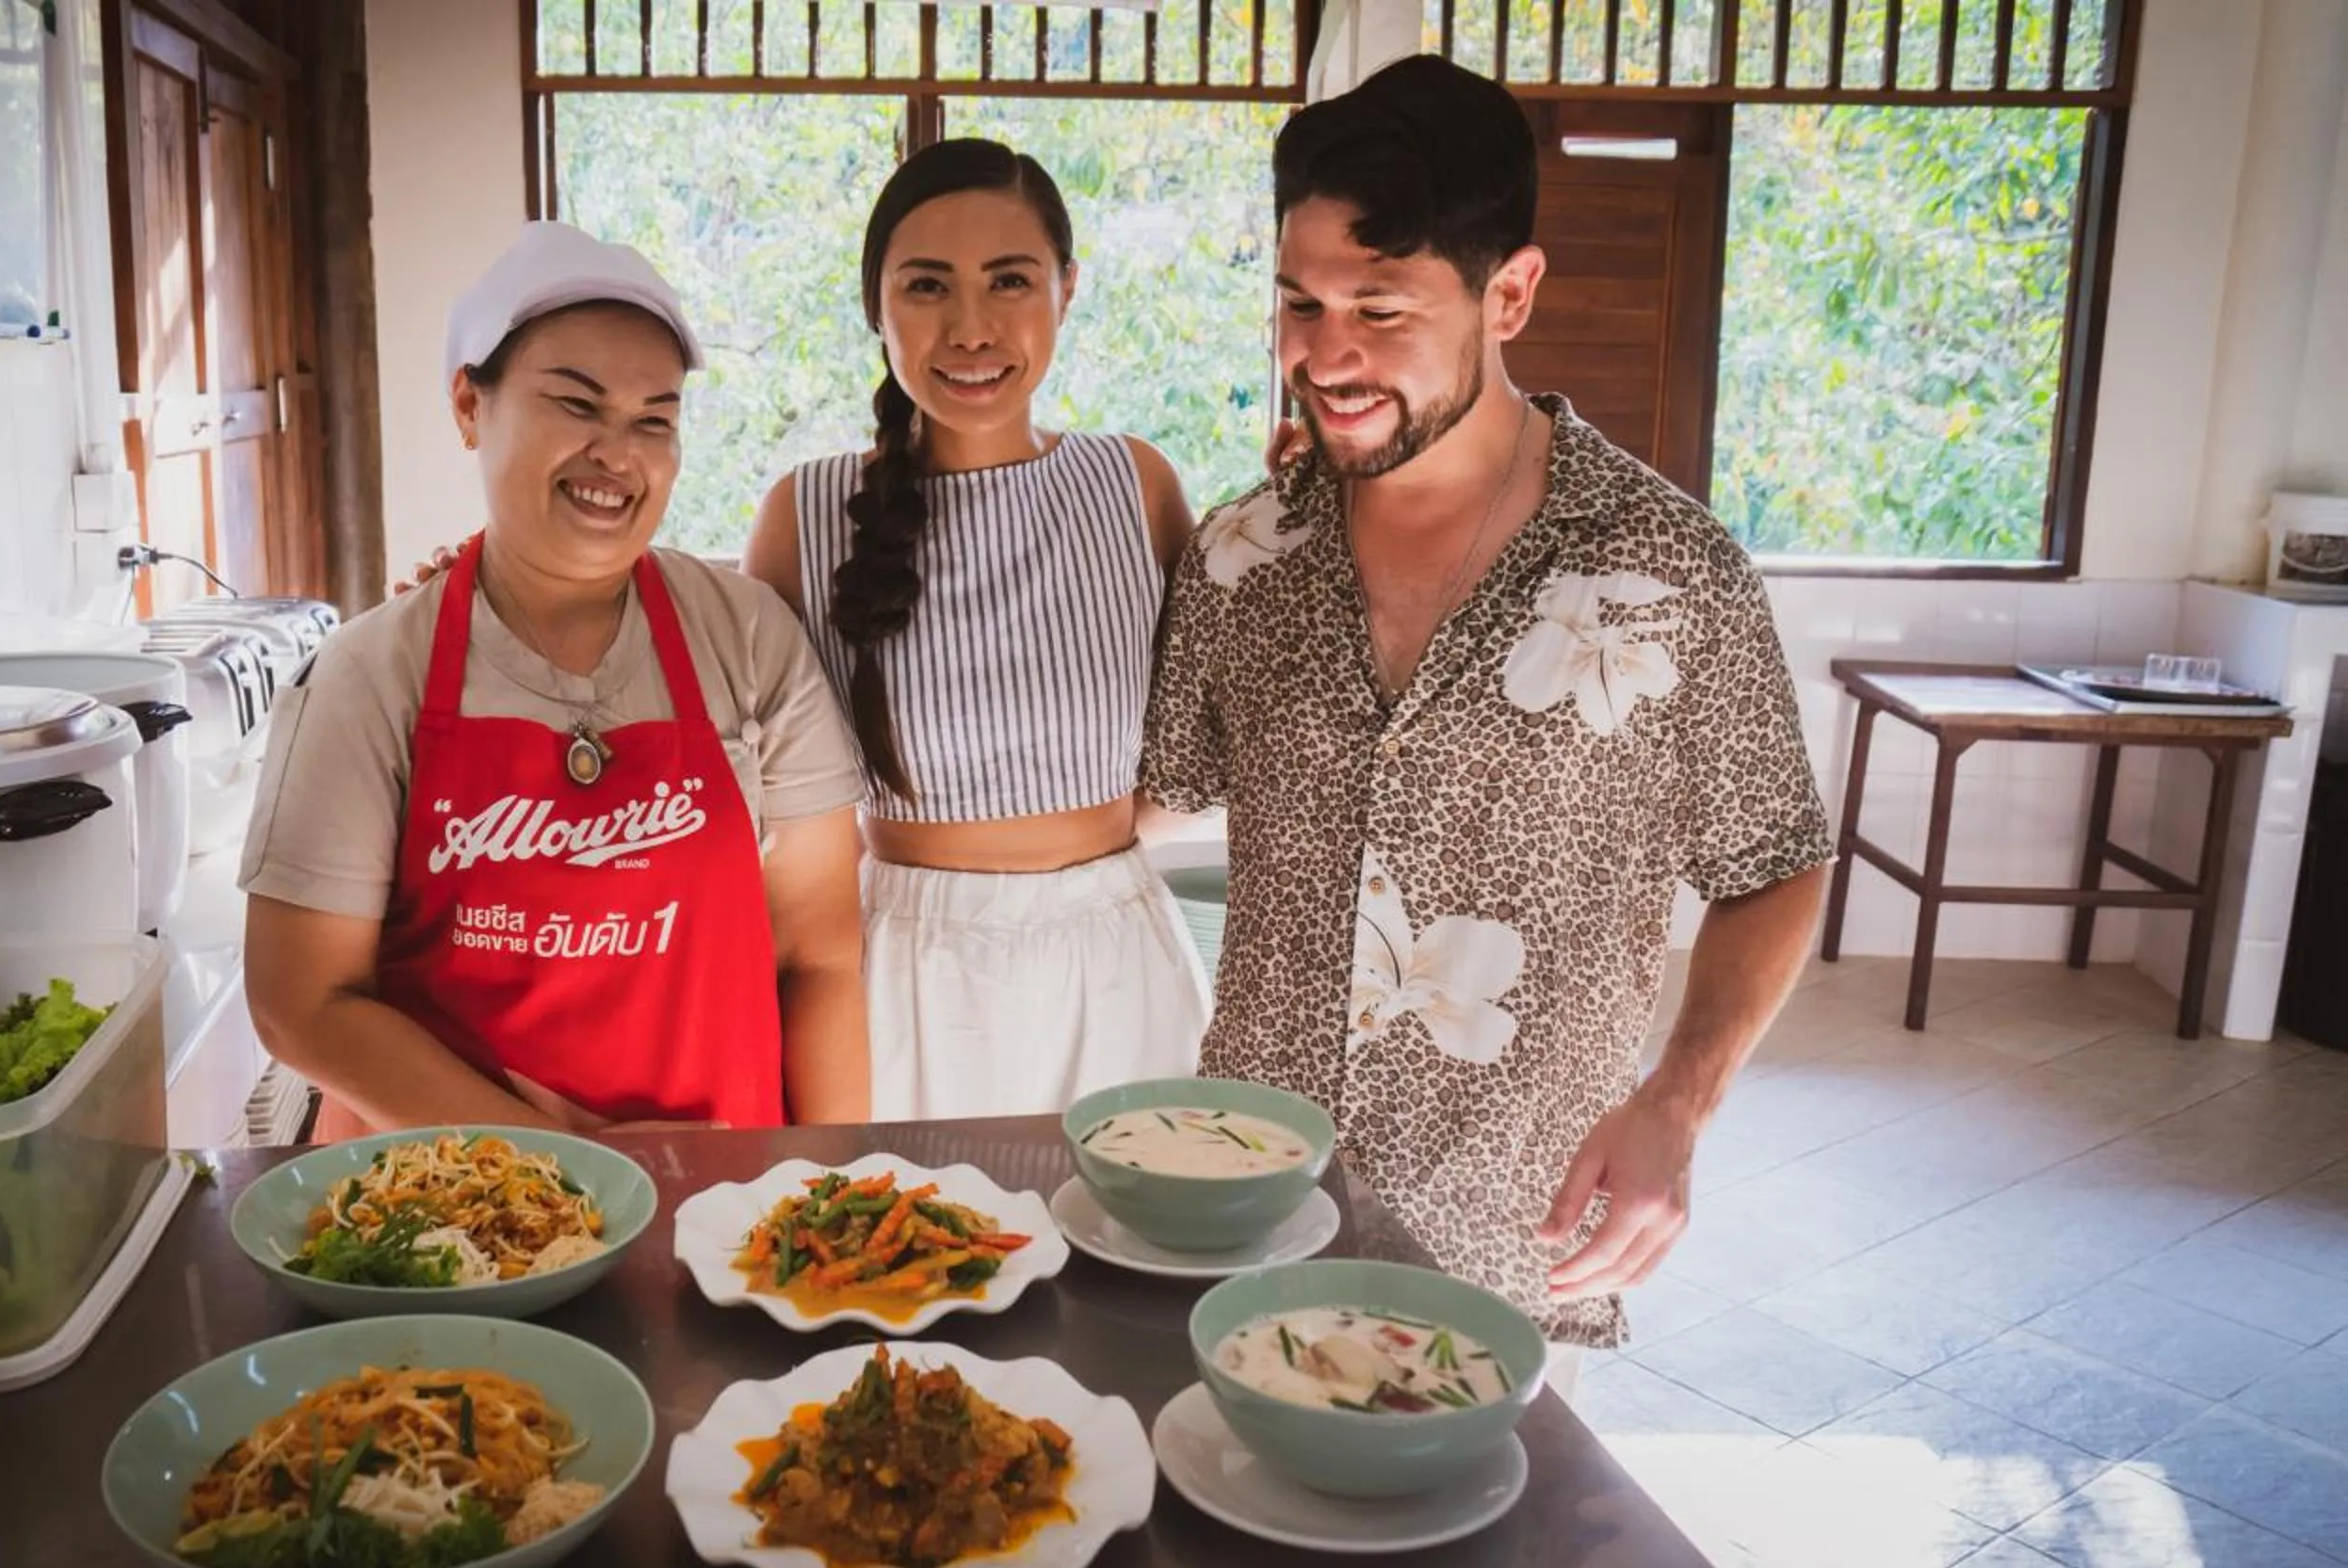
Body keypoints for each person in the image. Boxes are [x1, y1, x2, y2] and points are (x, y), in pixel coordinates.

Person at [1142, 56, 1833, 1382]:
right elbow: (1150, 796)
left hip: (1510, 1245)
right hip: (1249, 1211)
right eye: (1300, 303)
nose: (1323, 356)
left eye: (1382, 311)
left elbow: (1775, 865)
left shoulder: (1668, 573)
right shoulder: (1239, 555)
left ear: (1508, 293)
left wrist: (1678, 1107)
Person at [241, 220, 871, 1141]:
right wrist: (567, 1171)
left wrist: (832, 1186)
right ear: (469, 404)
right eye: (576, 405)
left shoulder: (748, 638)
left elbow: (818, 954)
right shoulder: (371, 674)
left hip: (721, 1202)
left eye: (654, 419)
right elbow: (302, 1000)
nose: (618, 454)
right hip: (448, 1215)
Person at [744, 139, 1210, 1121]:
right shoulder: (808, 510)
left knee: (1139, 1262)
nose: (971, 326)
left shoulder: (1135, 484)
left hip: (1117, 961)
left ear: (1066, 290)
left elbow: (1203, 730)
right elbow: (736, 750)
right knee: (914, 1267)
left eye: (1010, 281)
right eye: (926, 286)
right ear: (877, 305)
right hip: (905, 971)